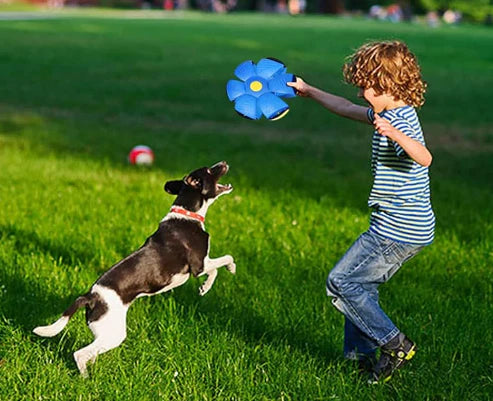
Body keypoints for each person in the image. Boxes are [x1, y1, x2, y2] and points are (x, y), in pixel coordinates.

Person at [288, 40, 435, 383]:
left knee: (341, 282)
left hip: (398, 230)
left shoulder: (402, 122)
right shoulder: (386, 112)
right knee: (361, 286)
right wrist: (309, 91)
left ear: (390, 86)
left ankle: (394, 343)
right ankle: (359, 357)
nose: (361, 94)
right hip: (402, 225)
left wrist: (396, 135)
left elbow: (425, 157)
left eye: (367, 87)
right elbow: (343, 107)